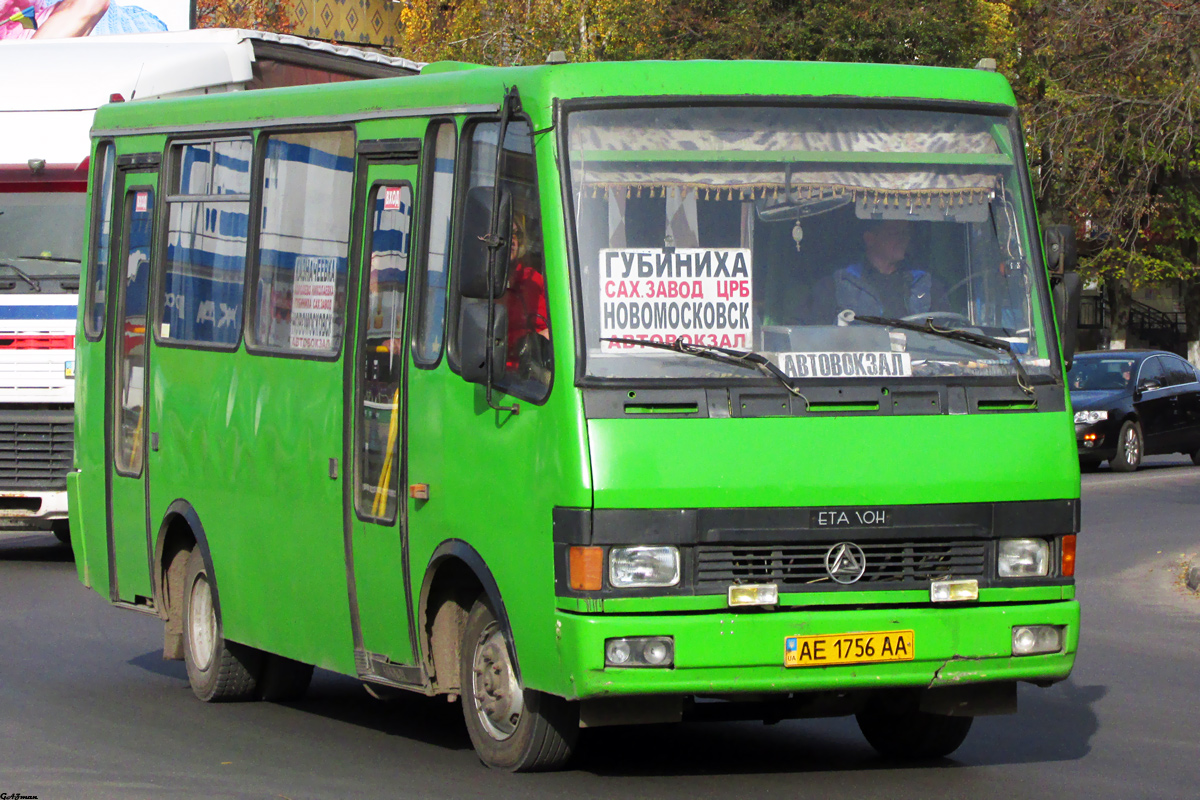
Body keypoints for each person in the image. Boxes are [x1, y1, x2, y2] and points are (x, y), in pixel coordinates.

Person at [819, 219, 945, 321]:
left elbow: (948, 334)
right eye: (895, 233)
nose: (903, 239)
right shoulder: (838, 284)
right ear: (870, 239)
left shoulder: (926, 285)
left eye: (905, 233)